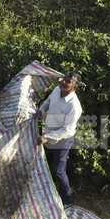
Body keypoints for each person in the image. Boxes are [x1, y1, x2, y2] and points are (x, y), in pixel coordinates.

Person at [34, 72, 82, 207]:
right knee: (48, 163)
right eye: (64, 80)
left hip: (62, 140)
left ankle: (68, 199)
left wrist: (46, 137)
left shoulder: (74, 106)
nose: (64, 83)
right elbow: (48, 102)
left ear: (75, 87)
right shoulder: (56, 90)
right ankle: (50, 188)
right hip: (49, 135)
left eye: (68, 82)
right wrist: (41, 110)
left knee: (59, 170)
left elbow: (67, 130)